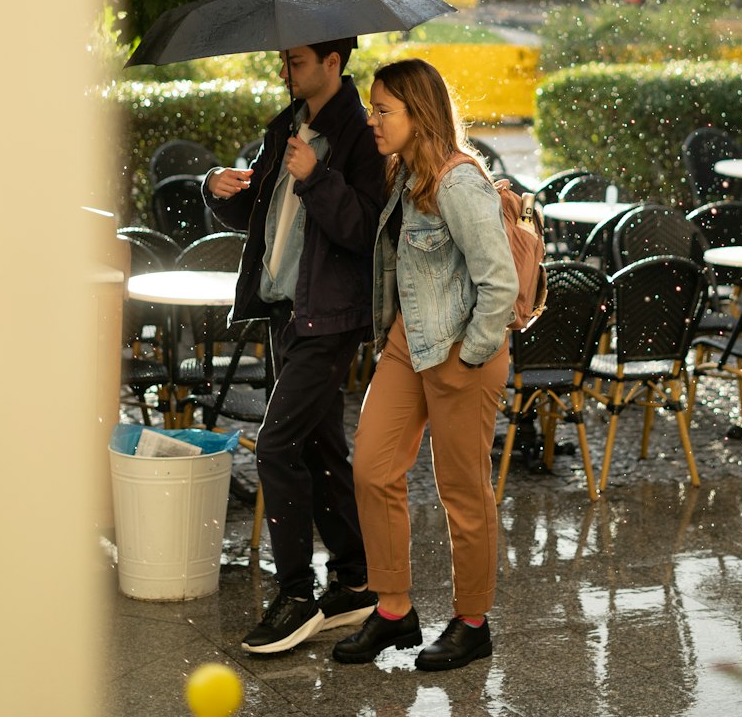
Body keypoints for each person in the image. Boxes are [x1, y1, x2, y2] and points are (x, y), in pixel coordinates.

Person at [333, 58, 518, 672]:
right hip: (407, 344)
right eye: (373, 108)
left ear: (420, 114)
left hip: (462, 349)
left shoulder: (458, 184)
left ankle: (471, 622)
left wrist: (470, 356)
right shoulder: (404, 175)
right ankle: (393, 610)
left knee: (462, 493)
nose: (372, 119)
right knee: (373, 467)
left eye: (384, 110)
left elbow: (500, 283)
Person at [202, 37, 386, 655]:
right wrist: (219, 189)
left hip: (330, 318)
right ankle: (358, 577)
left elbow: (364, 230)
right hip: (287, 312)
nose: (285, 71)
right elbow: (260, 214)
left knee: (277, 445)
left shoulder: (360, 135)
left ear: (333, 63)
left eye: (297, 62)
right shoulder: (286, 125)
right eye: (281, 60)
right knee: (319, 444)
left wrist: (317, 178)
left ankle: (297, 595)